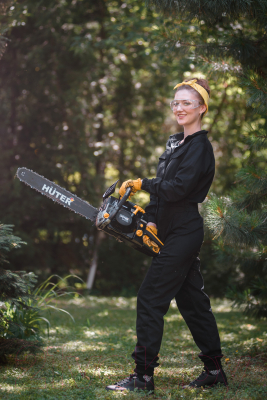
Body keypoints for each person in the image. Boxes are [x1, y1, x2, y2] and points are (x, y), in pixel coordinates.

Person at [105, 78, 228, 393]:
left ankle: (143, 377)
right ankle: (214, 371)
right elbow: (163, 190)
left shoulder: (200, 147)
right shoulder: (175, 144)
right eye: (176, 103)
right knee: (193, 303)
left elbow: (179, 189)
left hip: (186, 229)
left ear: (202, 108)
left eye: (187, 102)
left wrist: (141, 183)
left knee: (150, 297)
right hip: (170, 228)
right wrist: (154, 219)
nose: (180, 108)